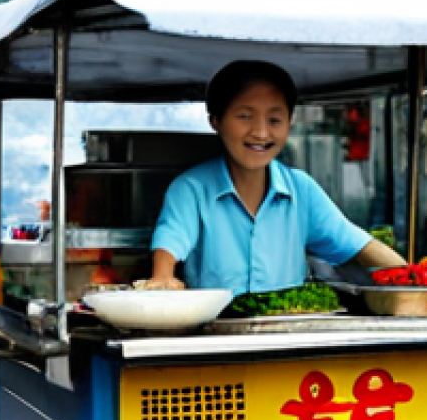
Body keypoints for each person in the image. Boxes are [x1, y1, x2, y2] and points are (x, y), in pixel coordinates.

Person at [149, 61, 405, 294]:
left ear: (289, 123)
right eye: (245, 117)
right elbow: (172, 237)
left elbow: (358, 244)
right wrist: (162, 277)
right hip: (214, 337)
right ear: (216, 120)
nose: (261, 133)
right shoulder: (191, 188)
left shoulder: (302, 189)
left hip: (287, 334)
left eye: (274, 120)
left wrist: (417, 281)